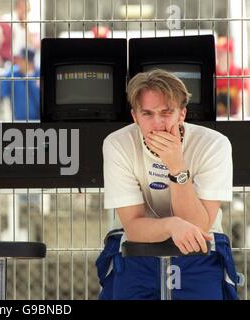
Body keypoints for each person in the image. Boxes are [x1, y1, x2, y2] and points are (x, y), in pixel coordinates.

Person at [96, 69, 240, 300]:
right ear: (135, 117)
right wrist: (171, 226)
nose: (157, 123)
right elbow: (132, 227)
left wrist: (176, 166)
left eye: (166, 112)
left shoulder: (214, 144)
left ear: (182, 114)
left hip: (202, 246)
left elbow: (198, 225)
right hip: (136, 247)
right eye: (147, 114)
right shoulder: (118, 143)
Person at [0, 48, 40, 121]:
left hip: (40, 121)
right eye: (17, 59)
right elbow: (0, 94)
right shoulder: (11, 74)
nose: (17, 62)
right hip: (20, 121)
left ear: (30, 61)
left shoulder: (41, 74)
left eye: (21, 59)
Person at [216, 36, 250, 119]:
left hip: (234, 117)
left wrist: (241, 114)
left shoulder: (240, 73)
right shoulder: (212, 72)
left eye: (223, 53)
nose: (219, 56)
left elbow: (243, 96)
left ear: (230, 54)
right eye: (218, 52)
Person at [0, 0, 40, 67]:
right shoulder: (7, 20)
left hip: (23, 60)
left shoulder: (28, 22)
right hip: (8, 59)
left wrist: (26, 26)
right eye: (23, 7)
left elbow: (32, 43)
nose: (26, 10)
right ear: (18, 7)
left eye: (27, 8)